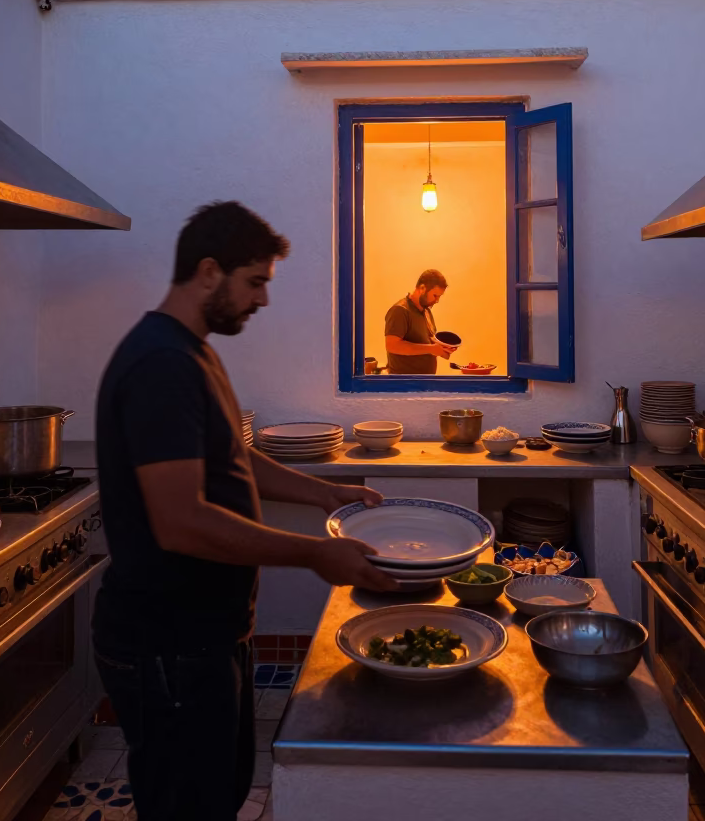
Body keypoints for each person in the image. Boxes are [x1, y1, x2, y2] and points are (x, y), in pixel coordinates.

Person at [93, 201, 396, 821]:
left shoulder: (191, 352)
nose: (262, 301)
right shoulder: (161, 365)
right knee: (188, 805)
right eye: (255, 282)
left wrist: (323, 494)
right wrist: (314, 553)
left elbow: (234, 460)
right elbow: (181, 522)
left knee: (219, 792)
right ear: (209, 271)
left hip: (205, 631)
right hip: (167, 641)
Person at [384, 269, 456, 374]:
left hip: (424, 384)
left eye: (439, 297)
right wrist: (431, 349)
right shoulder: (400, 310)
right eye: (435, 296)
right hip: (405, 385)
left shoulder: (426, 311)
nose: (437, 300)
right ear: (422, 288)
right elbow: (392, 346)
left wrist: (443, 349)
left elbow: (426, 343)